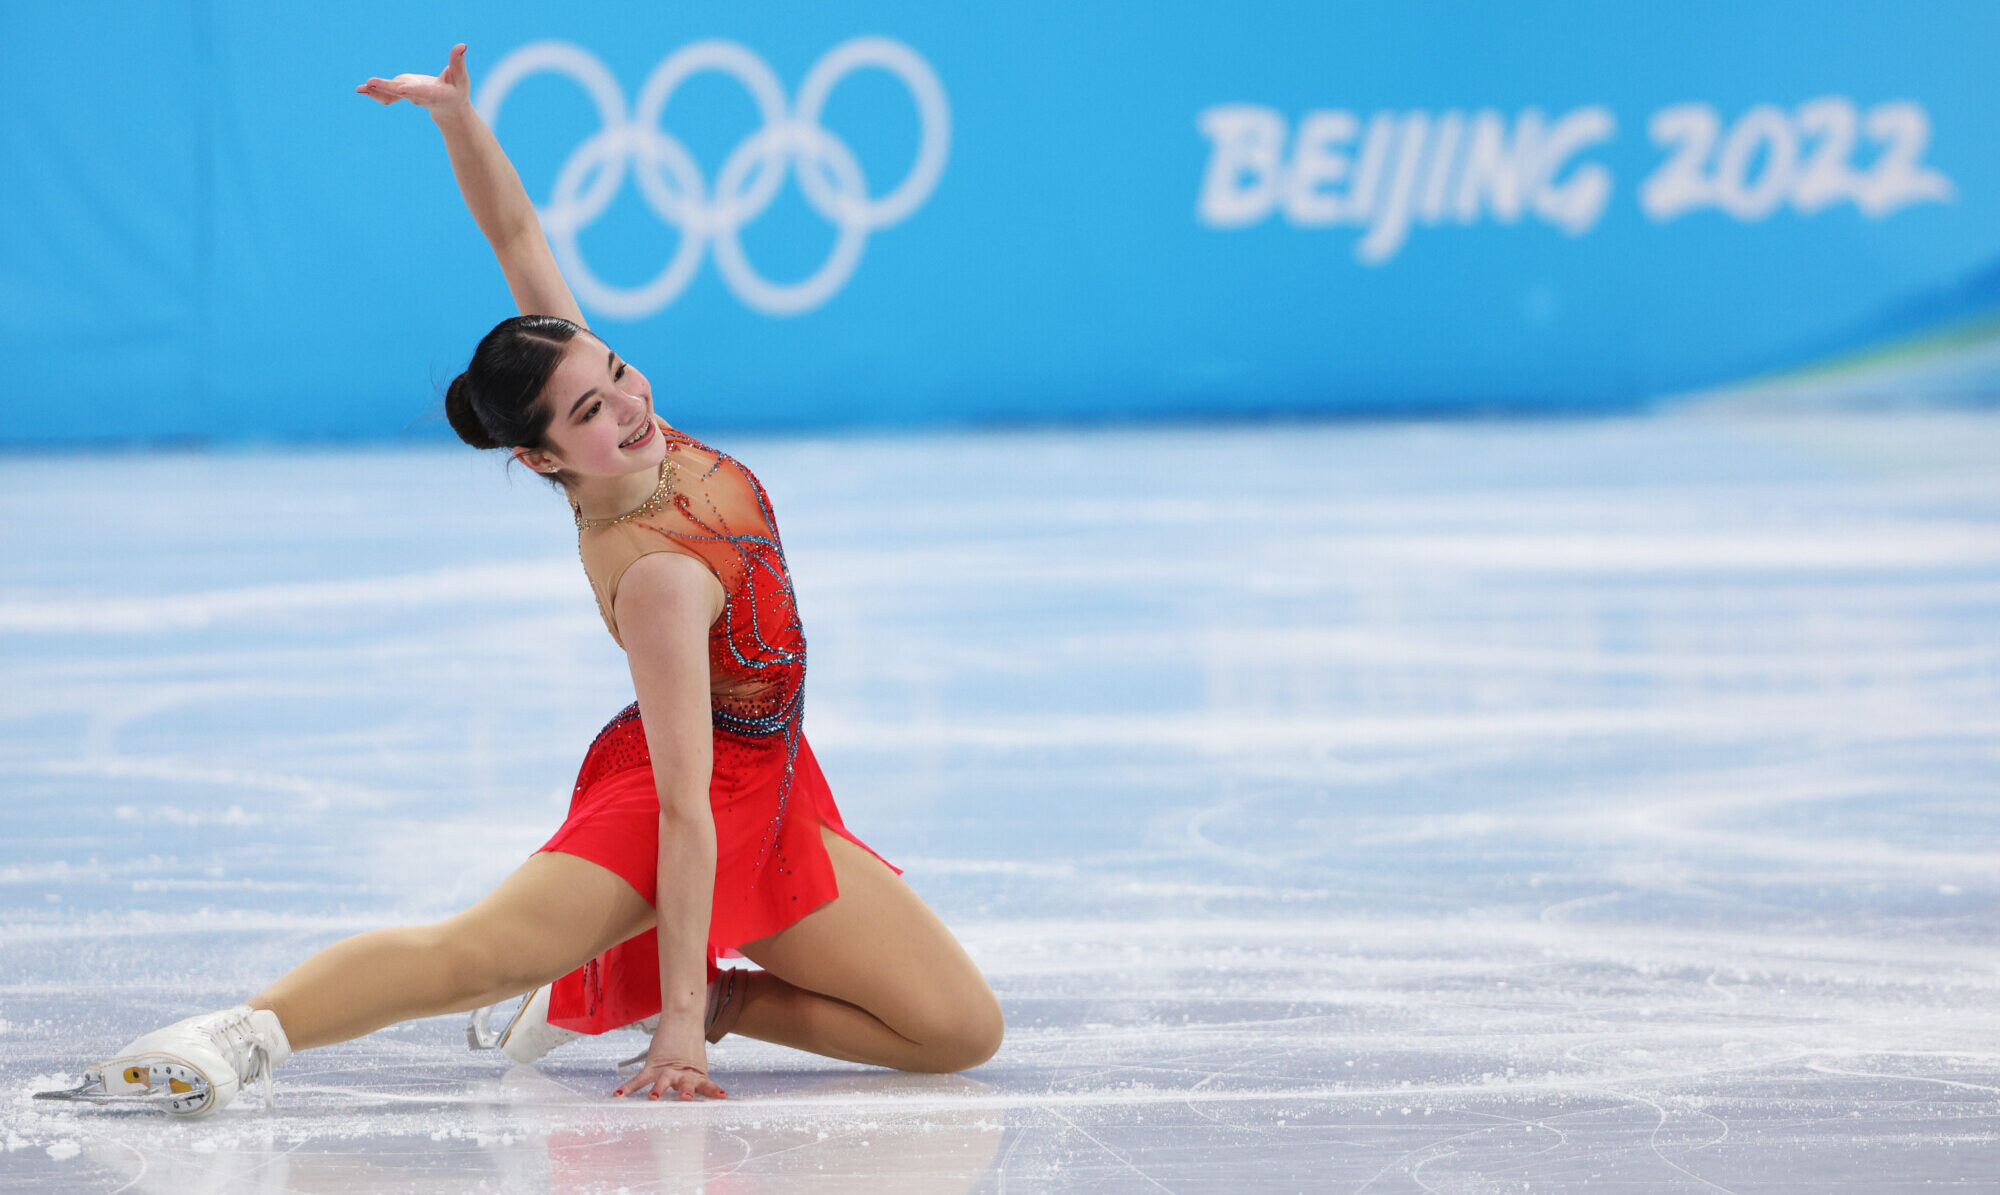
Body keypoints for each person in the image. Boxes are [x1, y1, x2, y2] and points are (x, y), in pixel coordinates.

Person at [36, 43, 1002, 1118]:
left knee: (959, 1028)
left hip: (771, 774)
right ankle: (237, 1036)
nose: (627, 407)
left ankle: (613, 982)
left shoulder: (631, 432)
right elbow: (687, 815)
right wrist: (680, 1031)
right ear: (542, 458)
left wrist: (456, 117)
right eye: (589, 412)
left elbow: (517, 235)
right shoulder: (656, 576)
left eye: (617, 375)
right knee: (481, 954)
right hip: (691, 793)